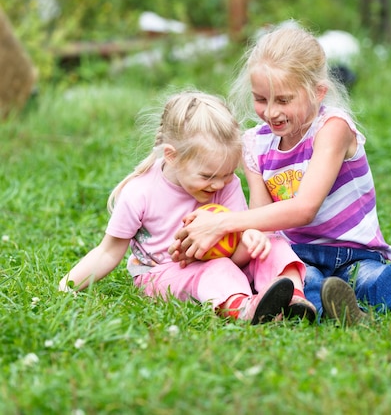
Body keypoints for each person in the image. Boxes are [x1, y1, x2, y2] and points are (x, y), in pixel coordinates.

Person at [169, 25, 391, 325]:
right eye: (260, 99)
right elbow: (260, 218)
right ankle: (340, 313)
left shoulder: (333, 129)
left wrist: (224, 223)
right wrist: (235, 240)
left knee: (375, 279)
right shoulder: (254, 144)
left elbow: (305, 208)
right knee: (300, 281)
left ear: (317, 92)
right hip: (295, 253)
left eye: (284, 99)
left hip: (350, 250)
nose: (270, 112)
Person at [58, 90, 316, 324]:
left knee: (272, 243)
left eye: (226, 174)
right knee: (217, 268)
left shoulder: (227, 184)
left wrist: (250, 238)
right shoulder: (140, 193)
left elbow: (236, 250)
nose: (218, 184)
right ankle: (245, 308)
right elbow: (107, 252)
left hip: (225, 263)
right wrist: (66, 286)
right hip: (161, 273)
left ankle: (294, 297)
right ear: (172, 156)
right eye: (207, 176)